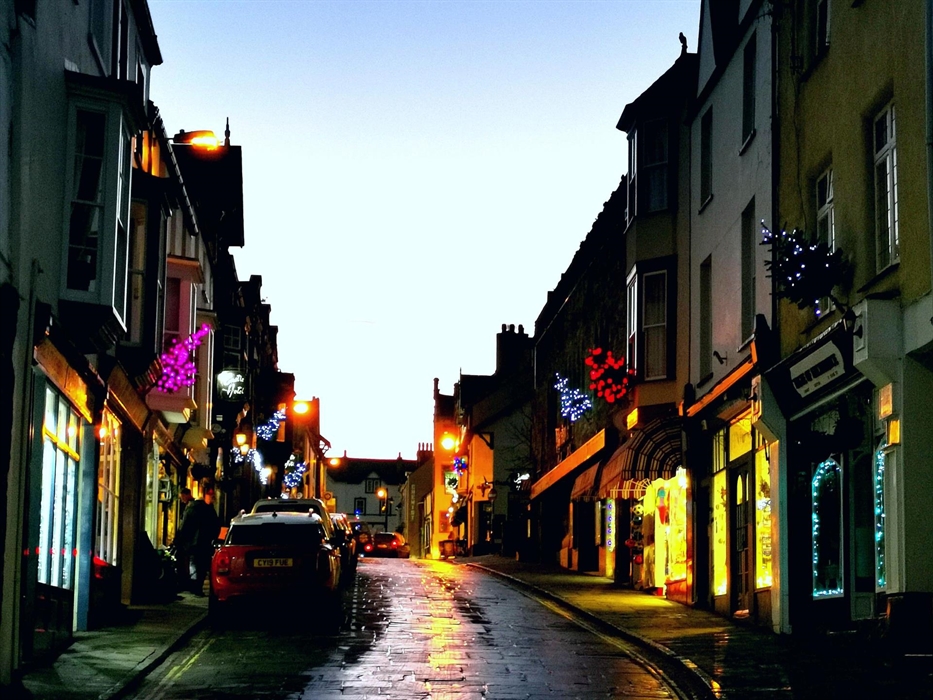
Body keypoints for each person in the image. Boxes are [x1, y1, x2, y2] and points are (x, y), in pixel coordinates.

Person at [177, 488, 221, 595]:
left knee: (193, 563)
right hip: (206, 542)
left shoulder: (191, 509)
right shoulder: (208, 509)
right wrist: (212, 538)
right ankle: (199, 586)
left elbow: (184, 526)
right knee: (202, 565)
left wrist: (180, 538)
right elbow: (216, 525)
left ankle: (194, 586)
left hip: (193, 543)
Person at [173, 488, 194, 590]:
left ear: (186, 495)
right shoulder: (189, 506)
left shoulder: (190, 507)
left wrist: (178, 537)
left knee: (185, 561)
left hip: (187, 540)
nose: (181, 499)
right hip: (189, 539)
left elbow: (184, 524)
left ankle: (185, 582)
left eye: (182, 497)